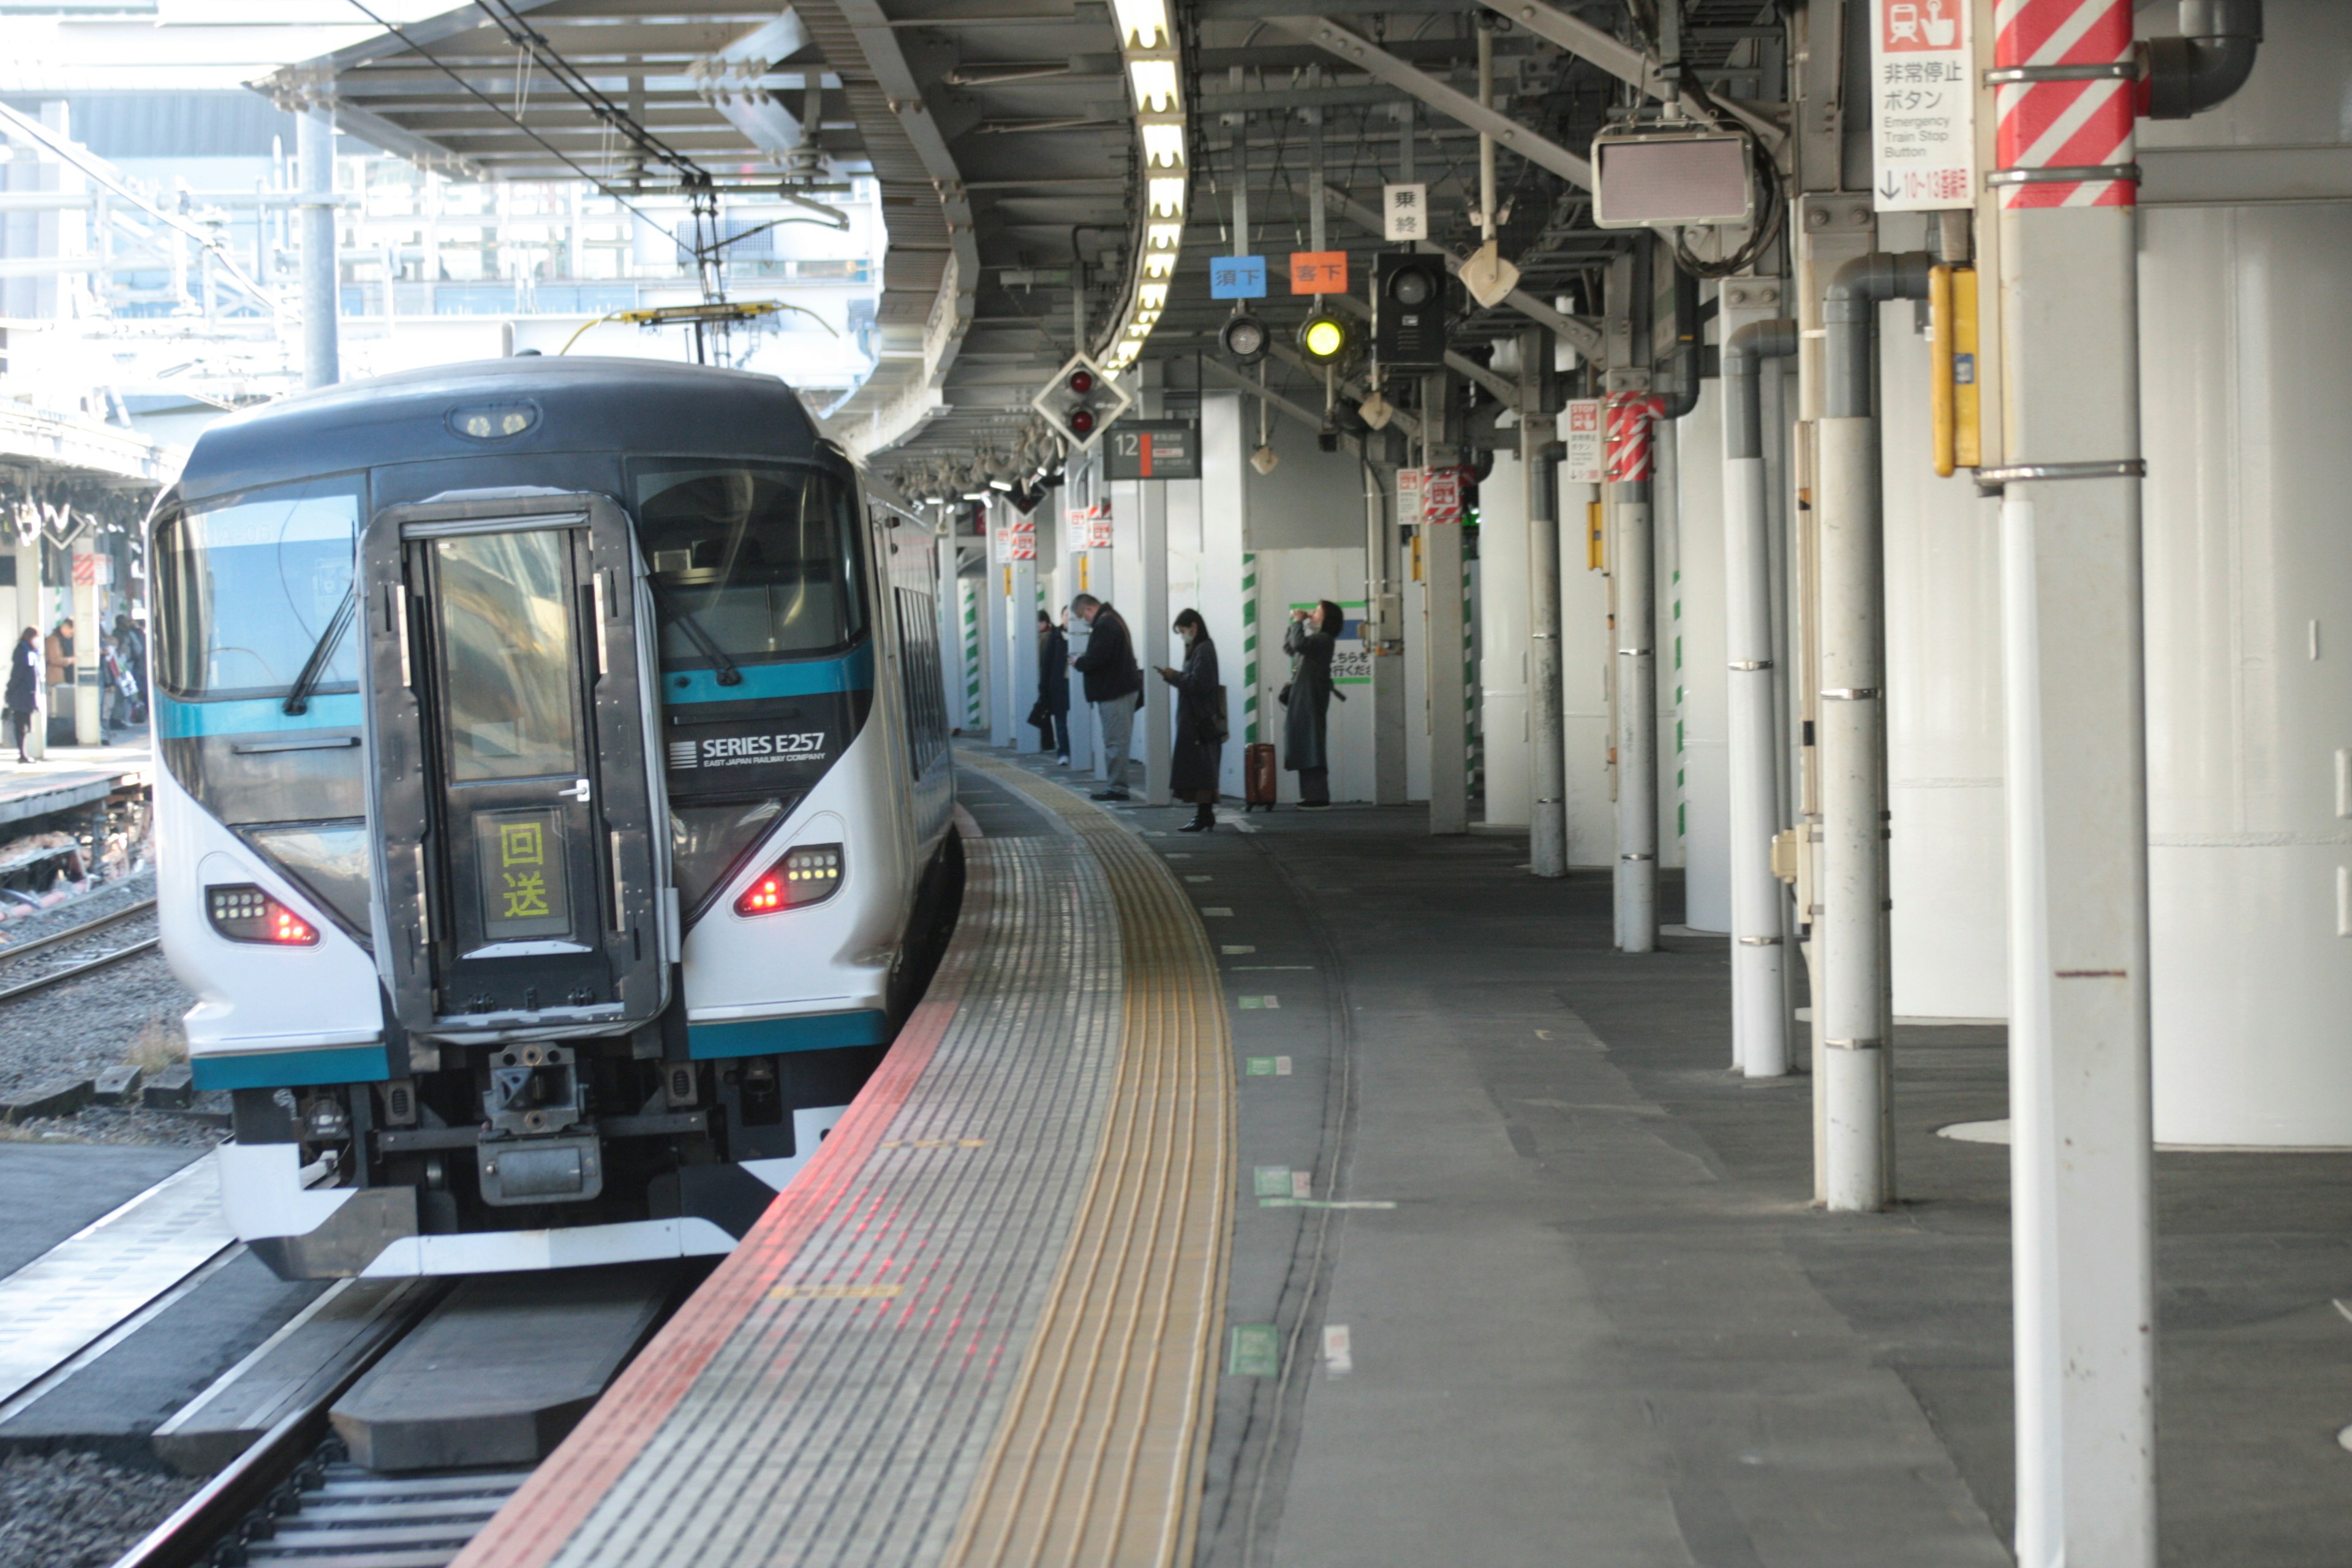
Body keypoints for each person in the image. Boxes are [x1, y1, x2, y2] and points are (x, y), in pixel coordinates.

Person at [1069, 593, 1141, 801]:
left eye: (1083, 616)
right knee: (1116, 740)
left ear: (1090, 609)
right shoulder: (1113, 618)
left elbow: (1097, 659)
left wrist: (1078, 662)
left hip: (1114, 692)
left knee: (1115, 742)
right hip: (1120, 689)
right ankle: (1117, 786)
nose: (1085, 621)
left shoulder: (1105, 625)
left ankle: (1118, 788)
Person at [1157, 609, 1224, 832]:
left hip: (1198, 720)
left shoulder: (1203, 650)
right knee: (1200, 770)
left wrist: (1175, 677)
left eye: (1183, 631)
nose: (1183, 636)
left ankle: (1204, 816)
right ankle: (1204, 815)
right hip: (1196, 719)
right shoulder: (1200, 649)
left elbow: (1200, 684)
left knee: (1201, 770)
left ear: (1193, 627)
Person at [1282, 599, 1344, 808]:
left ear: (1327, 619)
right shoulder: (1316, 641)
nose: (1313, 614)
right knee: (1303, 742)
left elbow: (1299, 644)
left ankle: (1318, 796)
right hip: (1303, 695)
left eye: (1317, 612)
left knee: (1311, 744)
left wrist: (1298, 622)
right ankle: (1311, 795)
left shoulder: (1324, 639)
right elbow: (1291, 648)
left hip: (1310, 696)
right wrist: (1294, 624)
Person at [1033, 609, 1071, 764]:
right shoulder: (1055, 637)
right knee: (1061, 720)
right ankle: (1064, 752)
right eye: (1067, 615)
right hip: (1060, 684)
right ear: (1062, 617)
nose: (1070, 618)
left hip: (1078, 685)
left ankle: (1076, 750)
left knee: (1077, 720)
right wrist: (1044, 687)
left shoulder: (1086, 635)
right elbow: (1047, 664)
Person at [5, 628, 37, 764]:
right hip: (22, 695)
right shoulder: (24, 652)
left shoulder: (29, 651)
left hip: (24, 694)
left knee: (23, 724)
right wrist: (10, 689)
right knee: (21, 725)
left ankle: (24, 754)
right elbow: (19, 674)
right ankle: (23, 755)